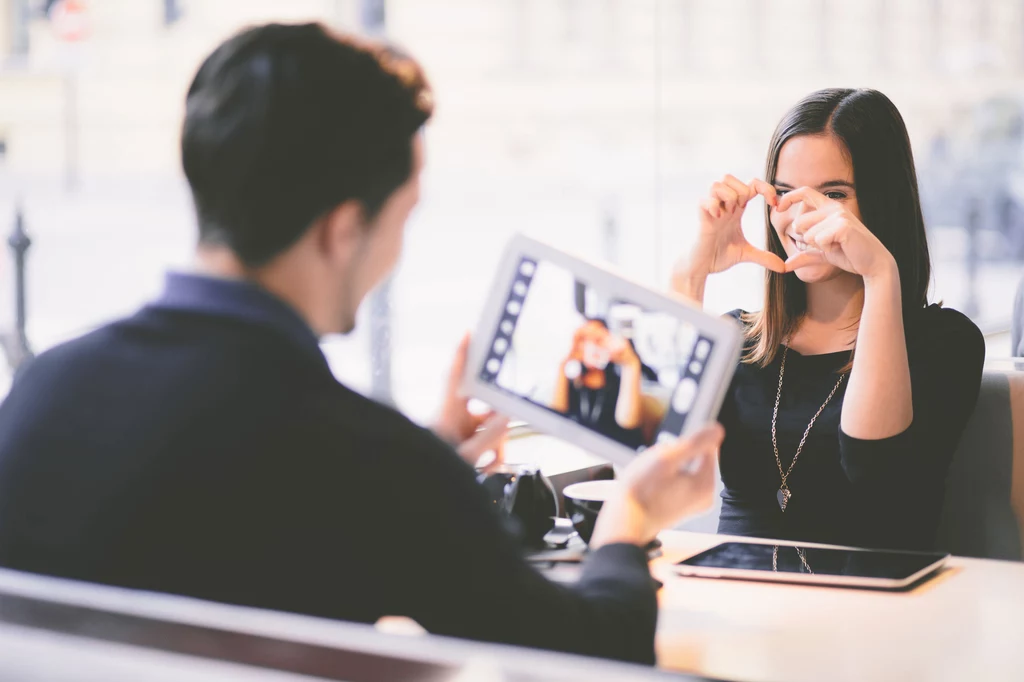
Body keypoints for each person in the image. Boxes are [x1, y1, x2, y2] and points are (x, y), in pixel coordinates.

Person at [0, 23, 725, 664]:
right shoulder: (368, 461)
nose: (396, 250)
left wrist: (435, 450)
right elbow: (590, 650)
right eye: (403, 217)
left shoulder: (43, 391)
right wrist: (629, 518)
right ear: (343, 229)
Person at [671, 88, 985, 551]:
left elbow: (874, 468)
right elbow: (661, 459)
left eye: (833, 194)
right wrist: (691, 272)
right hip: (739, 599)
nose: (801, 218)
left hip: (869, 606)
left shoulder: (946, 342)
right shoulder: (736, 337)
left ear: (881, 202)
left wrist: (880, 274)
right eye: (783, 194)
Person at [550, 318, 659, 449]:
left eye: (598, 340)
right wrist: (564, 362)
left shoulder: (620, 382)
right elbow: (554, 418)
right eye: (584, 340)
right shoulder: (572, 384)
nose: (592, 346)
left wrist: (631, 363)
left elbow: (628, 421)